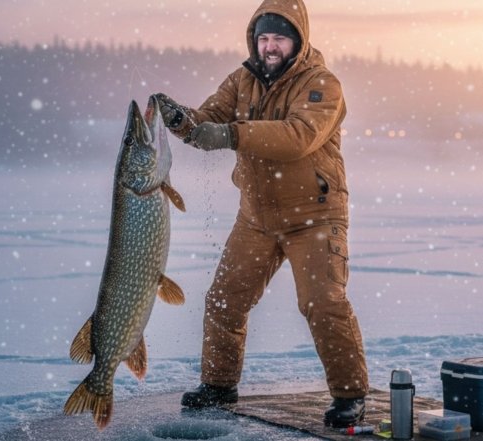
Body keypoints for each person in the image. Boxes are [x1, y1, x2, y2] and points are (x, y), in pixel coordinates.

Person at [156, 0, 368, 427]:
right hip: (256, 218)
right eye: (263, 37)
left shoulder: (322, 84)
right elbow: (207, 121)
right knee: (224, 300)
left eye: (280, 38)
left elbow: (297, 136)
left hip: (315, 217)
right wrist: (181, 120)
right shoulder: (241, 80)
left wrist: (229, 134)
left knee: (322, 303)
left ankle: (350, 394)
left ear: (299, 41)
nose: (270, 46)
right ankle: (218, 385)